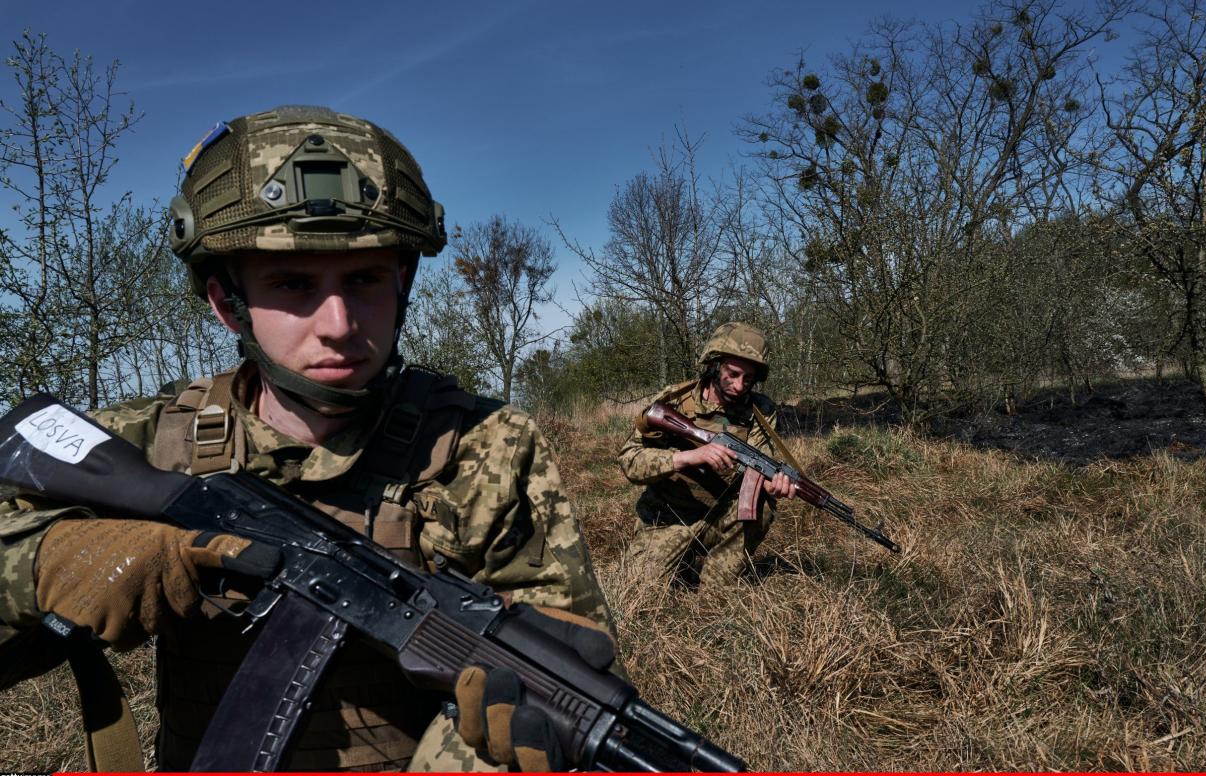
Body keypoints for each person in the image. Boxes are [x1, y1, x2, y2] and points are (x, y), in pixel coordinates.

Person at [0, 105, 614, 772]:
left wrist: (492, 745)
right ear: (224, 300)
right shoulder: (145, 442)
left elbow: (570, 656)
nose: (339, 323)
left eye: (363, 280)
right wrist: (48, 561)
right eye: (293, 284)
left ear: (401, 281)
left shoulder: (486, 446)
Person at [617, 323, 795, 589]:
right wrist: (689, 457)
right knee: (638, 589)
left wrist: (773, 485)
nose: (739, 385)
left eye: (748, 379)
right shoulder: (673, 402)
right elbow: (630, 461)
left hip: (721, 515)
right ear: (714, 365)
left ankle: (716, 582)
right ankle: (682, 556)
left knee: (762, 502)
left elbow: (759, 466)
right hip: (669, 517)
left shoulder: (761, 410)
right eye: (732, 374)